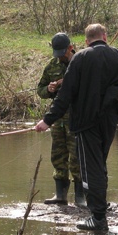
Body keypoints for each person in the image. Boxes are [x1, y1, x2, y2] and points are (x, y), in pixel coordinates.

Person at [35, 24, 118, 231]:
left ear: (86, 41)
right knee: (100, 164)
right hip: (110, 120)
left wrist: (47, 120)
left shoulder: (80, 58)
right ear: (104, 36)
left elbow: (65, 95)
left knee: (91, 169)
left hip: (86, 123)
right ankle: (100, 207)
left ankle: (97, 218)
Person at [36, 32, 85, 207]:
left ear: (70, 48)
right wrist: (49, 90)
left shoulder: (82, 62)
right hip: (57, 119)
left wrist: (68, 82)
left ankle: (80, 197)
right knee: (58, 155)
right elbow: (40, 90)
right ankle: (60, 195)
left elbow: (88, 86)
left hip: (77, 118)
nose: (60, 57)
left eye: (63, 52)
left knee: (77, 157)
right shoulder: (51, 66)